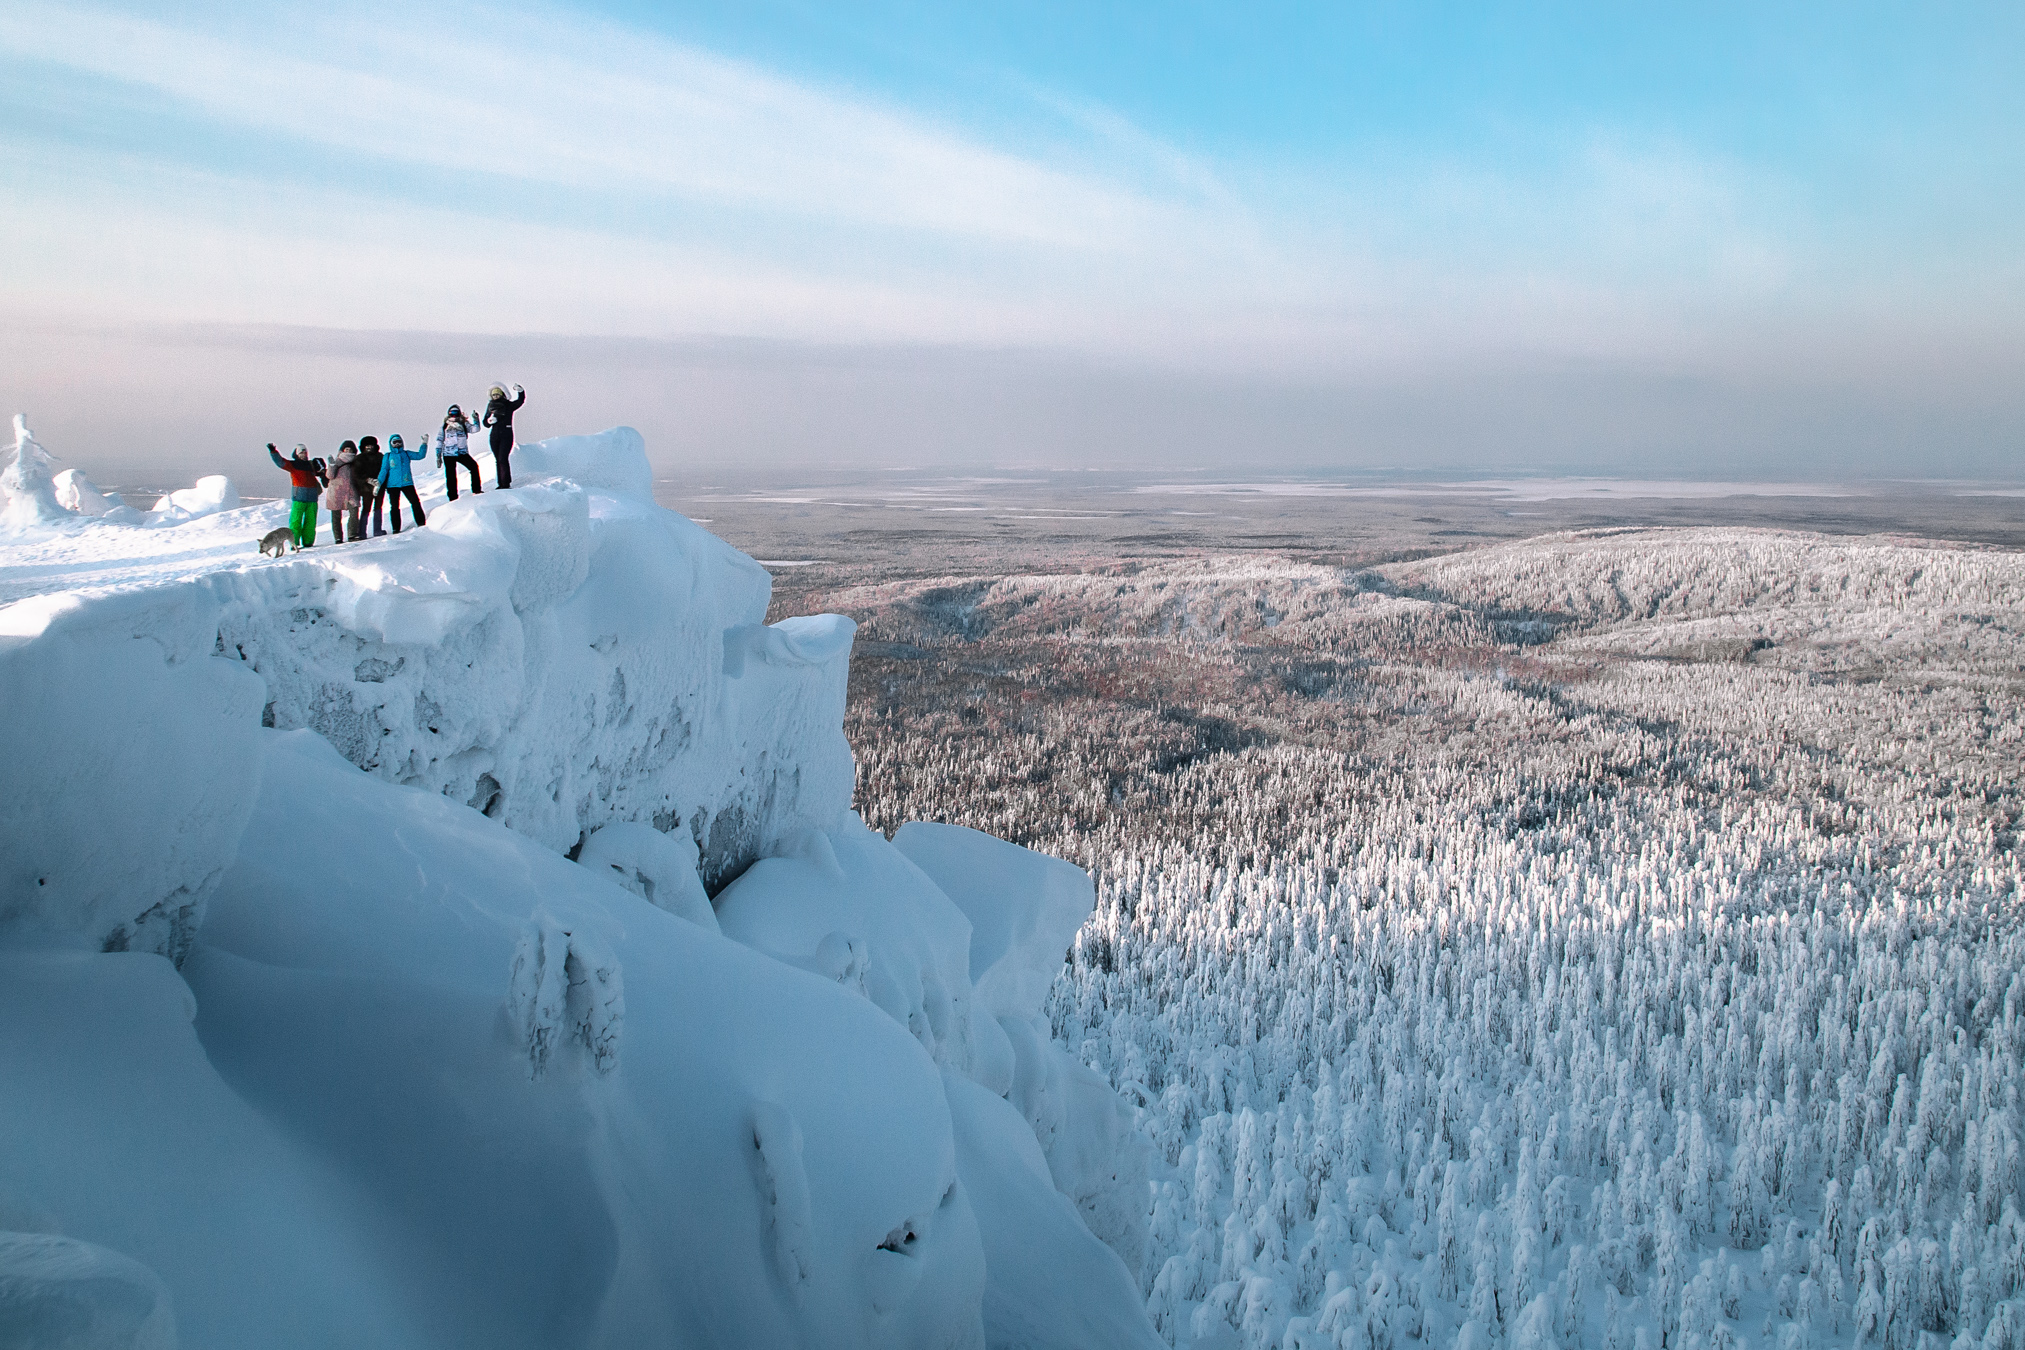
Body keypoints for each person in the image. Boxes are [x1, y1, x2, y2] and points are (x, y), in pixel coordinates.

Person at [266, 441, 326, 548]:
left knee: (311, 522)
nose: (304, 455)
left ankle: (308, 542)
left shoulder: (311, 465)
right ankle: (294, 543)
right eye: (301, 453)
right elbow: (280, 462)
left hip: (312, 498)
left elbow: (322, 472)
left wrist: (323, 467)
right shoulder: (293, 465)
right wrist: (273, 451)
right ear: (297, 454)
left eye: (305, 453)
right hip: (299, 498)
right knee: (295, 521)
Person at [376, 433, 428, 533]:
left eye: (399, 442)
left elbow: (420, 455)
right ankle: (396, 528)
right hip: (393, 485)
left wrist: (424, 444)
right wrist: (379, 482)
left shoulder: (407, 454)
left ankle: (421, 522)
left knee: (415, 502)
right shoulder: (388, 456)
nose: (397, 444)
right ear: (391, 443)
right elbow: (384, 470)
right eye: (395, 442)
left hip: (407, 482)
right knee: (394, 506)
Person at [482, 383, 525, 489]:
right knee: (498, 459)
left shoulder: (508, 405)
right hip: (494, 436)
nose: (496, 397)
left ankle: (505, 483)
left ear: (503, 394)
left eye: (498, 394)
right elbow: (485, 423)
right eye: (494, 395)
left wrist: (521, 392)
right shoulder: (490, 407)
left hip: (506, 435)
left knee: (502, 458)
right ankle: (500, 483)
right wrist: (489, 421)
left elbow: (520, 402)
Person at [437, 404, 483, 500]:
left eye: (455, 413)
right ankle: (453, 497)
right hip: (448, 454)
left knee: (474, 467)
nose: (454, 415)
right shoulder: (445, 425)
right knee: (451, 476)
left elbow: (475, 429)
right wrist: (438, 454)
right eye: (452, 413)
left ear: (459, 413)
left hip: (462, 452)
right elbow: (440, 439)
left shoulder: (464, 423)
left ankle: (476, 490)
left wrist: (476, 419)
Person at [322, 441, 360, 542]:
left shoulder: (356, 462)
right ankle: (338, 538)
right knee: (336, 516)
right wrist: (331, 465)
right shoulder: (337, 461)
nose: (348, 452)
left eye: (350, 450)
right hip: (336, 492)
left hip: (351, 491)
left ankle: (352, 534)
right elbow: (329, 476)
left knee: (354, 513)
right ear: (342, 450)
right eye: (346, 449)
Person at [355, 435, 385, 536]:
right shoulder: (359, 459)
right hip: (367, 488)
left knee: (377, 508)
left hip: (378, 486)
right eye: (367, 446)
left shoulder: (380, 457)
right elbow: (356, 474)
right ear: (363, 447)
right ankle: (363, 532)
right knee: (367, 509)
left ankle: (375, 530)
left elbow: (385, 471)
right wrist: (367, 480)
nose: (369, 448)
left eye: (371, 446)